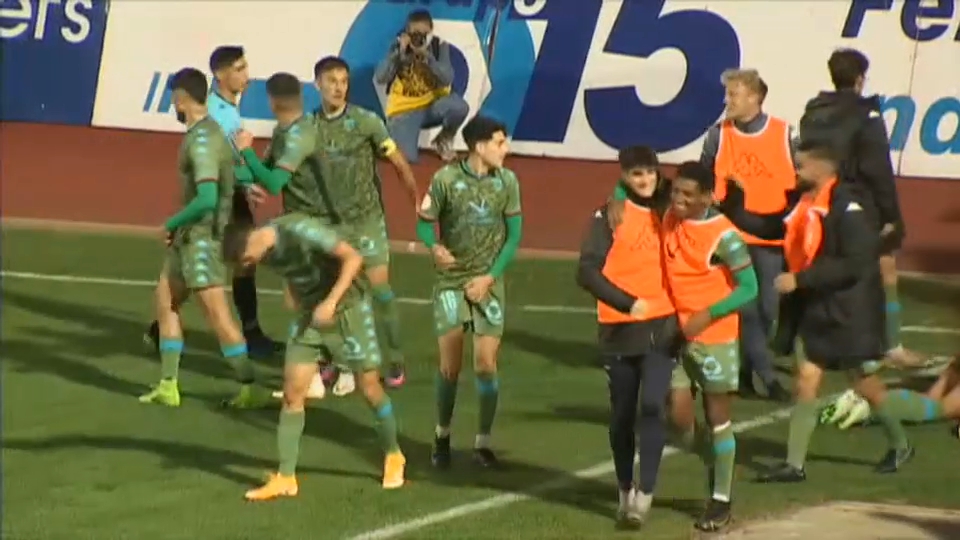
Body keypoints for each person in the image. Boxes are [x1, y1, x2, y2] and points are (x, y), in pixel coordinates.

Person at [717, 140, 934, 481]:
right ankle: (794, 464)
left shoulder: (849, 207)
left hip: (848, 311)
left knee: (866, 385)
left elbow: (856, 263)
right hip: (815, 307)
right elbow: (774, 227)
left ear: (824, 168)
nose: (796, 171)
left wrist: (800, 278)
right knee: (806, 380)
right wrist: (735, 208)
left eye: (801, 165)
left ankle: (900, 443)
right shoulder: (803, 199)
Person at [226, 214, 406, 500]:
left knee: (369, 388)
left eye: (246, 260)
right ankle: (286, 477)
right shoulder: (263, 252)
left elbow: (353, 258)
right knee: (292, 393)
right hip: (310, 318)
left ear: (251, 242)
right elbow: (292, 270)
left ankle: (394, 454)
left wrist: (331, 302)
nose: (248, 266)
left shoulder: (300, 231)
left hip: (348, 311)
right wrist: (295, 293)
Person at [138, 67, 270, 409]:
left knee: (218, 316)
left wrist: (172, 222)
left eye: (173, 97)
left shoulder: (199, 141)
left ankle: (249, 384)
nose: (172, 103)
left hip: (201, 241)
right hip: (190, 239)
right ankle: (169, 384)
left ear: (182, 98)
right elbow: (232, 169)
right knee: (165, 299)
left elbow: (208, 197)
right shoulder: (211, 133)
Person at [576, 146, 678, 528]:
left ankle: (645, 494)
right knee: (621, 416)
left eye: (650, 172)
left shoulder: (669, 209)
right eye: (637, 175)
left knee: (652, 405)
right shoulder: (608, 216)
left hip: (662, 325)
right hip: (619, 328)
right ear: (623, 176)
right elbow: (586, 271)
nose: (646, 180)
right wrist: (626, 302)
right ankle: (624, 489)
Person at [799, 48, 920, 368]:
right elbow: (876, 168)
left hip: (819, 199)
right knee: (880, 266)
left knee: (829, 264)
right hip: (856, 201)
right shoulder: (866, 115)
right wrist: (892, 216)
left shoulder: (813, 112)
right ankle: (889, 346)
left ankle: (821, 342)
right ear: (859, 79)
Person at [416, 115, 522, 469]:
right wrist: (434, 248)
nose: (505, 149)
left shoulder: (508, 181)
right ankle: (442, 435)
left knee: (486, 365)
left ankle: (482, 442)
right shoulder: (444, 179)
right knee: (449, 367)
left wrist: (489, 279)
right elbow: (424, 222)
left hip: (488, 284)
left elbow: (514, 236)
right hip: (451, 283)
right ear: (479, 146)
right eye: (499, 142)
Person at [661, 161, 759, 532]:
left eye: (688, 194)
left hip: (714, 339)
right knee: (680, 418)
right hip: (676, 335)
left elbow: (750, 287)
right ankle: (716, 460)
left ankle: (720, 498)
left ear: (707, 197)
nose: (679, 199)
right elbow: (634, 182)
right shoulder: (670, 217)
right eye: (676, 192)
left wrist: (707, 314)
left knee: (718, 418)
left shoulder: (725, 237)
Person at [312, 56, 421, 390]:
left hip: (367, 223)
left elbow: (397, 160)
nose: (338, 87)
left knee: (380, 292)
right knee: (334, 295)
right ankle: (335, 358)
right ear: (317, 84)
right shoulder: (307, 126)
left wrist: (415, 197)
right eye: (331, 81)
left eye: (344, 81)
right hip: (330, 224)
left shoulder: (366, 122)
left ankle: (397, 361)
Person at [231, 72, 326, 399]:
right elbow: (265, 173)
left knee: (303, 297)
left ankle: (327, 368)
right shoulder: (285, 131)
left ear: (271, 101)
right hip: (298, 222)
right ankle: (321, 369)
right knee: (301, 297)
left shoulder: (300, 135)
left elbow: (273, 183)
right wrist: (246, 181)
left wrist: (247, 152)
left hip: (314, 224)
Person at [702, 68, 792, 403]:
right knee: (749, 308)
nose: (727, 101)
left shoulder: (785, 134)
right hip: (730, 237)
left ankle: (742, 373)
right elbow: (705, 180)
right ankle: (768, 379)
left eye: (734, 94)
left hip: (770, 238)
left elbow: (799, 180)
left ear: (755, 97)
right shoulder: (717, 135)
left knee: (767, 310)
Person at [375, 9, 470, 163]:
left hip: (433, 107)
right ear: (407, 33)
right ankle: (390, 135)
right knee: (406, 158)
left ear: (430, 33)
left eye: (423, 35)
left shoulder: (439, 46)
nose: (418, 39)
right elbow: (381, 77)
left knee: (460, 107)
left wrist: (429, 59)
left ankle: (443, 140)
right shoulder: (398, 47)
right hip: (404, 110)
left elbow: (447, 79)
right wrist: (397, 54)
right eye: (414, 34)